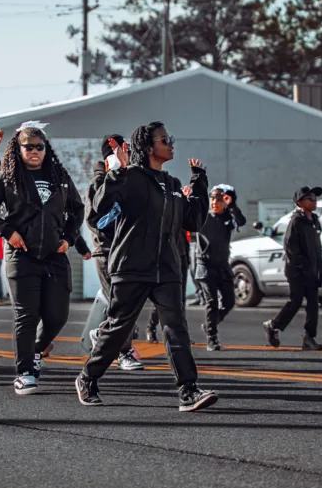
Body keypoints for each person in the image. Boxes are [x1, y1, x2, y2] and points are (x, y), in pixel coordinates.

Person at [76, 121, 218, 412]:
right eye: (165, 139)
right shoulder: (128, 178)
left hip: (167, 269)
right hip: (130, 266)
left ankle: (188, 391)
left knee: (176, 328)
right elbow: (100, 209)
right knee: (118, 329)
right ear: (148, 146)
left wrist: (200, 182)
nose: (171, 142)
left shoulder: (173, 185)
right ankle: (87, 378)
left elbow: (193, 221)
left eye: (170, 138)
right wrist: (117, 171)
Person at [0, 121, 85, 396]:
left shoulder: (59, 176)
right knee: (27, 315)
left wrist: (69, 238)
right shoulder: (7, 178)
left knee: (58, 314)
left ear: (46, 149)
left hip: (54, 255)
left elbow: (78, 209)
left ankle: (36, 349)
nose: (34, 151)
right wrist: (7, 232)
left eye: (39, 147)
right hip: (21, 256)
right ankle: (24, 373)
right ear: (18, 148)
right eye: (28, 146)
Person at [81, 134, 144, 371]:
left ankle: (102, 332)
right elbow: (95, 221)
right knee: (121, 304)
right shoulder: (99, 185)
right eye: (120, 153)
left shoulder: (129, 182)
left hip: (128, 254)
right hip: (106, 253)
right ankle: (124, 351)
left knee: (128, 303)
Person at [263, 186, 322, 351]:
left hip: (312, 269)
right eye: (310, 198)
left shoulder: (314, 221)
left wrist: (320, 267)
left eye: (315, 198)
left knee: (313, 303)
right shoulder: (296, 221)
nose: (314, 201)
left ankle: (309, 337)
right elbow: (290, 247)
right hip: (297, 271)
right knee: (296, 301)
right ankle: (273, 325)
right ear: (300, 202)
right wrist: (304, 266)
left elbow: (317, 247)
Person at [194, 184, 246, 351]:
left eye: (219, 198)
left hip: (222, 266)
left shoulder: (228, 218)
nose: (214, 202)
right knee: (212, 302)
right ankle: (212, 338)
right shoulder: (203, 217)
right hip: (205, 266)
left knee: (230, 301)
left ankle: (211, 323)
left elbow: (241, 221)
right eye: (212, 198)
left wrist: (232, 206)